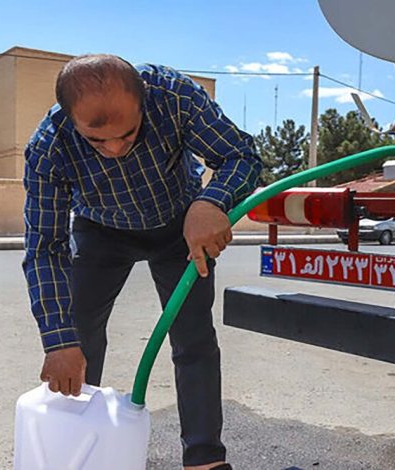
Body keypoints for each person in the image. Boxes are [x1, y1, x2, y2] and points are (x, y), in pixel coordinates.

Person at [22, 54, 261, 470]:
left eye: (128, 133)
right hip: (101, 231)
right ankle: (78, 449)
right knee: (78, 335)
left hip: (180, 226)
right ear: (70, 118)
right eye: (97, 141)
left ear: (143, 101)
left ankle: (204, 458)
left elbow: (240, 155)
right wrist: (57, 340)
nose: (115, 149)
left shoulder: (174, 97)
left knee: (193, 339)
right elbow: (45, 247)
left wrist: (212, 201)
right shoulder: (48, 146)